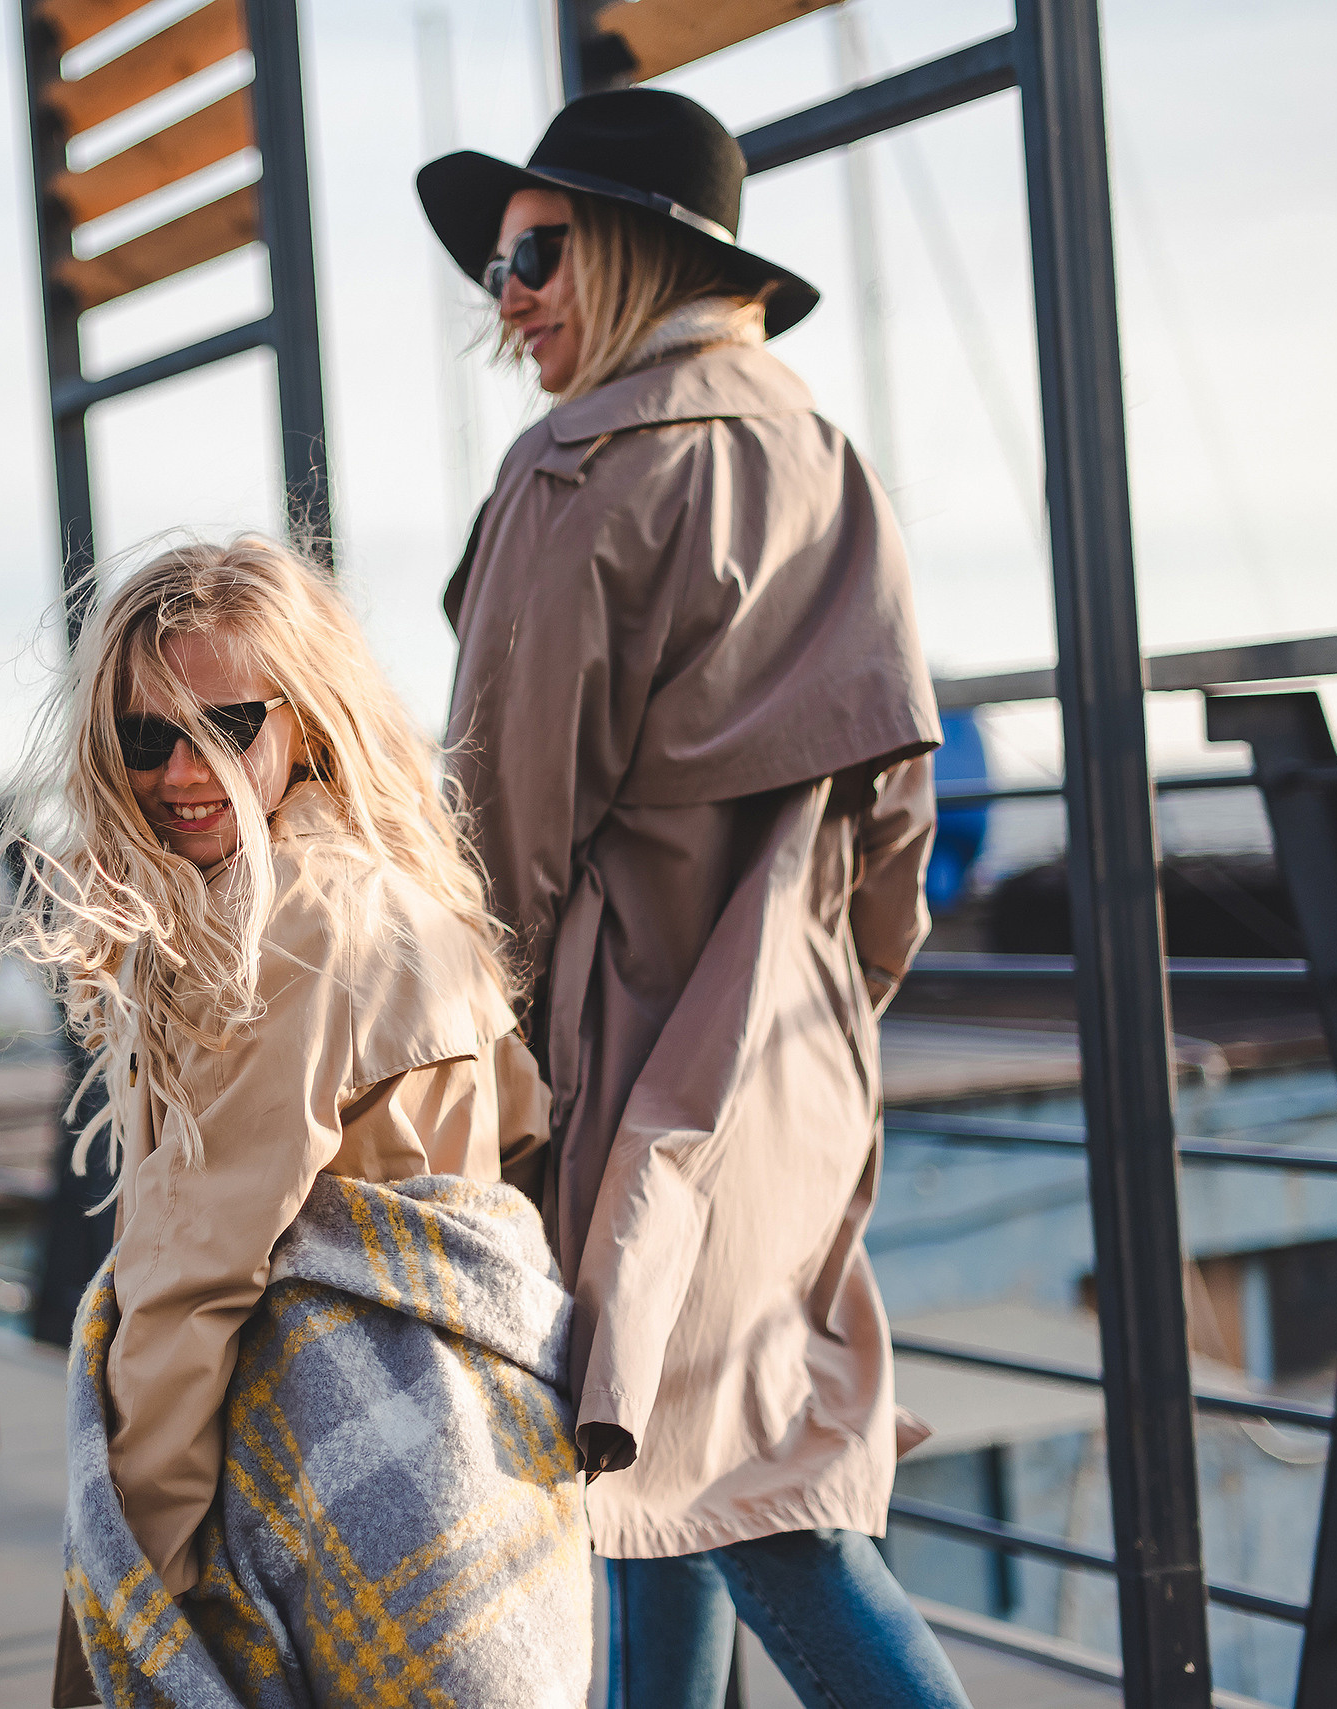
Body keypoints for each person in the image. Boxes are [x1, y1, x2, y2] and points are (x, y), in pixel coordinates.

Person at [418, 90, 970, 1709]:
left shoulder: (580, 464)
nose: (506, 297)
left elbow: (497, 832)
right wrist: (811, 995)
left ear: (636, 248)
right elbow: (898, 831)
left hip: (623, 1060)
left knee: (747, 1508)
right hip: (788, 1051)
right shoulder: (822, 449)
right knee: (658, 1487)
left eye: (532, 250)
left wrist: (483, 1079)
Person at [3, 537, 592, 1708]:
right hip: (483, 1467)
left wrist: (123, 1586)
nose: (186, 771)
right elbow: (518, 1127)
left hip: (362, 1487)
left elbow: (191, 1275)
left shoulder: (293, 924)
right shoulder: (390, 887)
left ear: (306, 723)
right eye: (145, 736)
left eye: (228, 724)